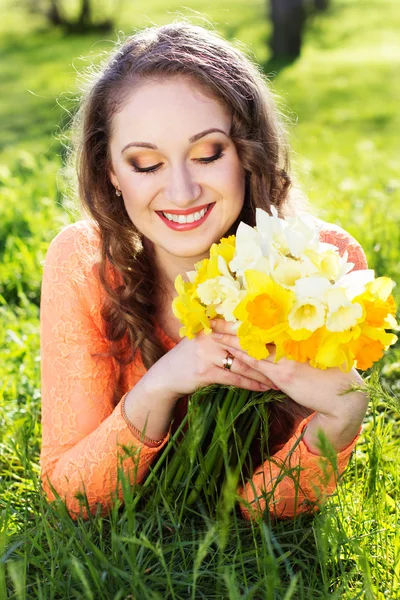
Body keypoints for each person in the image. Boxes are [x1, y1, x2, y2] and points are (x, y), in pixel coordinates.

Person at [40, 21, 369, 522]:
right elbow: (72, 498)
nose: (181, 192)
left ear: (247, 153)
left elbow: (262, 516)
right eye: (146, 164)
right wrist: (160, 387)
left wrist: (342, 418)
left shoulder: (322, 268)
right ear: (110, 171)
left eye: (207, 153)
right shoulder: (83, 266)